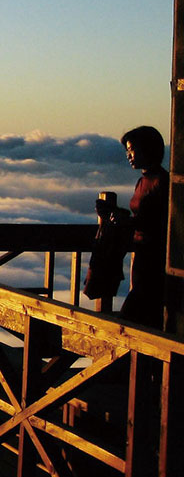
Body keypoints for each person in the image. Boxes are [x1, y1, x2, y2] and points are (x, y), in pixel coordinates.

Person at [97, 125, 169, 327]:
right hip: (141, 255)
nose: (128, 155)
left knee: (136, 315)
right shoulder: (143, 181)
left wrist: (120, 219)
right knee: (140, 313)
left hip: (154, 258)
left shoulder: (162, 182)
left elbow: (155, 221)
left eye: (132, 149)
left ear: (147, 149)